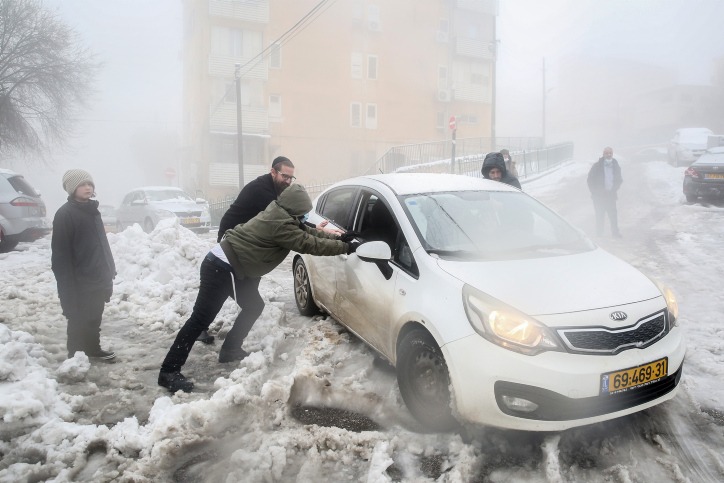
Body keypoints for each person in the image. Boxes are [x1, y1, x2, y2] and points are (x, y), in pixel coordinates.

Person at [158, 183, 360, 393]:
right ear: (294, 209)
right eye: (303, 212)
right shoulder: (280, 224)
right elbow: (309, 244)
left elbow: (307, 232)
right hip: (220, 268)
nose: (304, 216)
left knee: (254, 306)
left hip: (235, 267)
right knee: (200, 319)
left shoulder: (282, 213)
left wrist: (337, 238)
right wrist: (346, 247)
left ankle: (230, 349)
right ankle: (169, 371)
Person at [199, 155, 337, 345]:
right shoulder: (262, 191)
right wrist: (316, 230)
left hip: (249, 242)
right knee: (224, 286)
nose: (288, 181)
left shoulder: (277, 189)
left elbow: (294, 217)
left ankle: (242, 315)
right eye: (284, 176)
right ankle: (203, 325)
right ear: (273, 172)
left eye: (291, 178)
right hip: (233, 238)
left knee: (246, 285)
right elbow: (288, 220)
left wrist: (315, 227)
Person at [51, 169, 117, 361]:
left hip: (97, 275)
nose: (88, 187)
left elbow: (102, 243)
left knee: (94, 318)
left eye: (90, 184)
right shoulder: (65, 215)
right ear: (72, 188)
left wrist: (109, 268)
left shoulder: (93, 211)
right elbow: (61, 255)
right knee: (77, 319)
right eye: (82, 184)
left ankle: (92, 349)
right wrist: (67, 286)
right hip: (79, 280)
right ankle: (75, 357)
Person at [587, 146, 623, 237]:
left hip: (611, 196)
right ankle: (599, 234)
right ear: (603, 154)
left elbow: (619, 179)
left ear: (612, 154)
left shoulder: (615, 165)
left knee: (613, 216)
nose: (609, 155)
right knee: (599, 216)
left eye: (610, 153)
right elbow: (590, 180)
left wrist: (614, 189)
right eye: (607, 153)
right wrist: (595, 192)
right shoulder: (597, 166)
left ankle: (615, 233)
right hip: (599, 197)